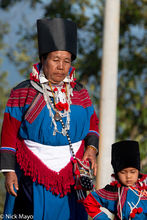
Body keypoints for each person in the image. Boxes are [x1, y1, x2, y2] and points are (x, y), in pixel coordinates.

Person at [0, 18, 99, 220]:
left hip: (71, 175)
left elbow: (93, 125)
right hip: (32, 173)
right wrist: (8, 172)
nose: (61, 67)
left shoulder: (80, 92)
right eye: (55, 60)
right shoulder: (22, 92)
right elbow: (9, 133)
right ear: (43, 58)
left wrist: (91, 149)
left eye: (67, 61)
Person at [83, 140, 147, 220]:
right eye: (123, 172)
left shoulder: (144, 190)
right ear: (116, 173)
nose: (128, 176)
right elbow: (89, 201)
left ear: (138, 171)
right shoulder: (114, 192)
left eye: (133, 172)